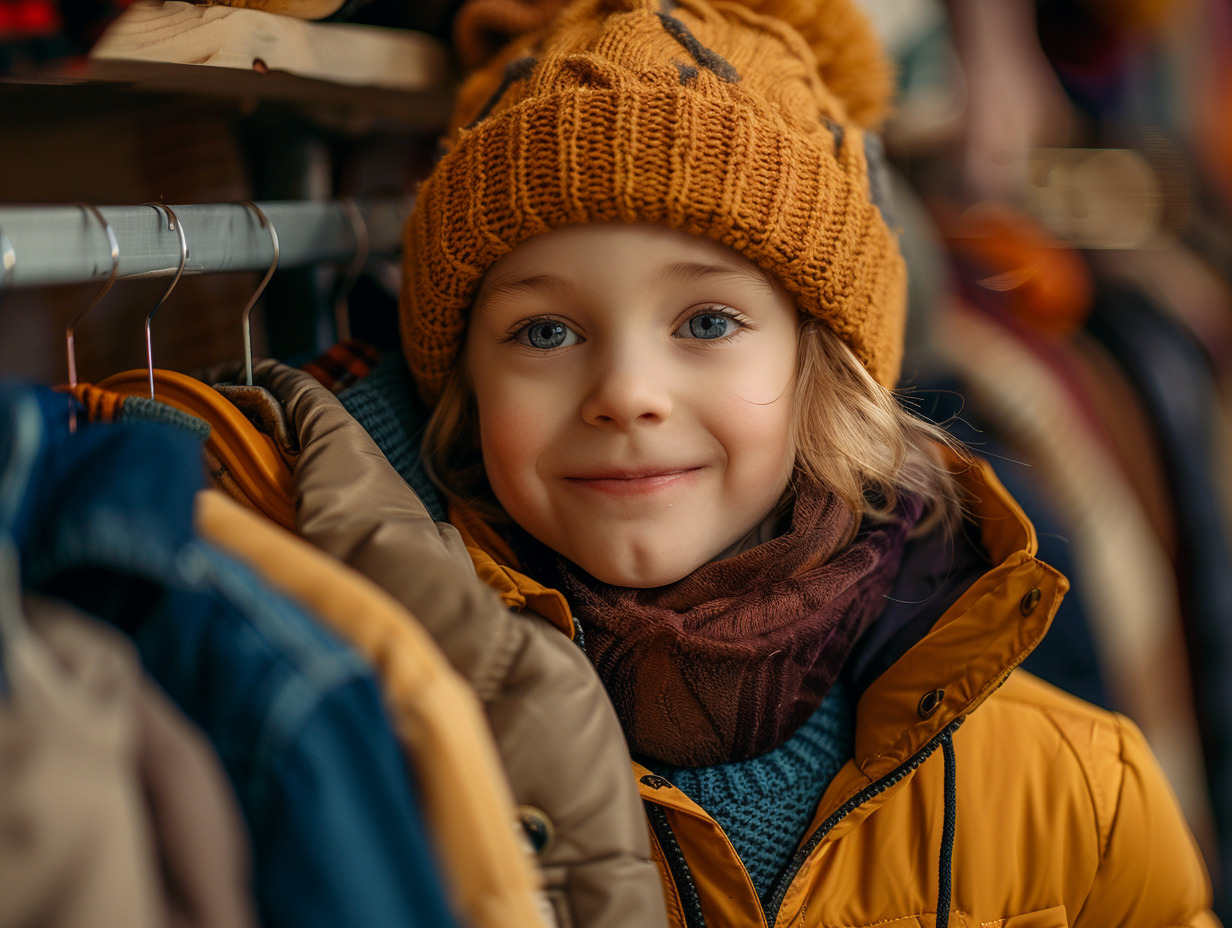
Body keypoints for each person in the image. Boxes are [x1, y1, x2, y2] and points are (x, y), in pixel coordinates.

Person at [389, 0, 1219, 924]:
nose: (626, 392)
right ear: (465, 384)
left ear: (821, 368)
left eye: (707, 321)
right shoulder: (389, 757)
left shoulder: (1077, 794)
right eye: (545, 331)